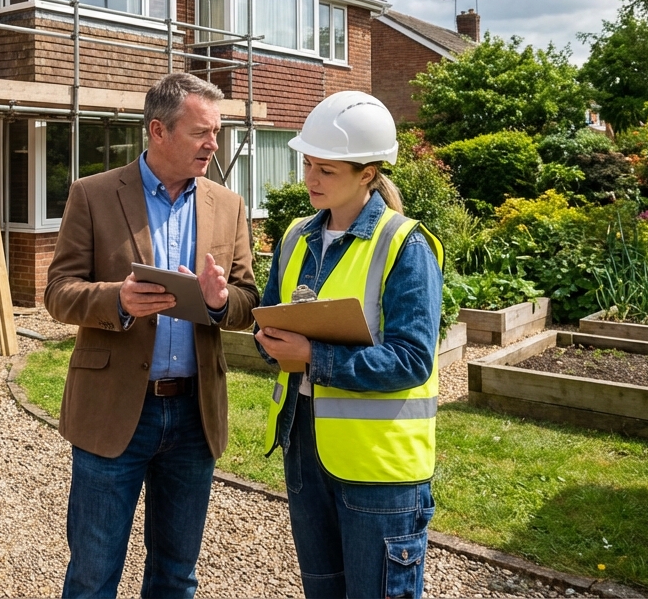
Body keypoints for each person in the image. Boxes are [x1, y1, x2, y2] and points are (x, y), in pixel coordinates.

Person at [45, 72, 259, 599]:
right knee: (93, 574)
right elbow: (57, 292)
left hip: (193, 415)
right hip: (115, 409)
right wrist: (115, 299)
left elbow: (248, 302)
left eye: (217, 132)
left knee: (176, 575)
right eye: (202, 132)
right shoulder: (92, 195)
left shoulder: (227, 206)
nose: (214, 144)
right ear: (158, 131)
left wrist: (216, 302)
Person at [255, 91, 443, 599]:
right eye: (308, 163)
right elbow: (269, 324)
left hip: (379, 469)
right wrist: (269, 342)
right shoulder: (296, 237)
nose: (310, 179)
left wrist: (313, 358)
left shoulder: (406, 245)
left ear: (367, 174)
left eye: (327, 170)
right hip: (305, 451)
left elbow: (411, 359)